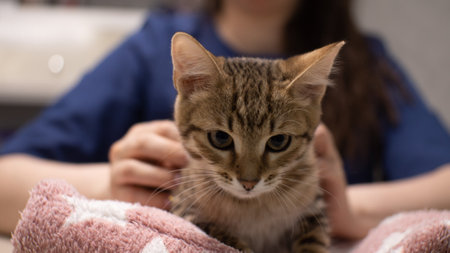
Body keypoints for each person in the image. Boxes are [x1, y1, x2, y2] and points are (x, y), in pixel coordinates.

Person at [1, 0, 450, 240]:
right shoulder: (149, 49)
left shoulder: (364, 63)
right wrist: (112, 188)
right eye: (222, 138)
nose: (248, 176)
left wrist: (346, 208)